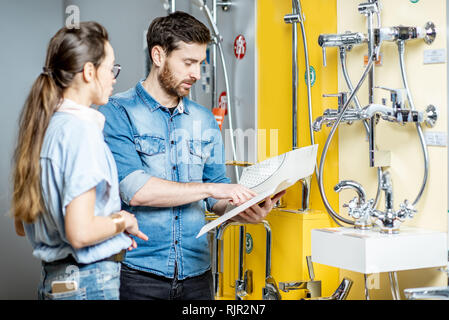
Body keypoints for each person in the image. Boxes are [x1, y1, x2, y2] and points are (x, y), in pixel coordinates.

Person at [98, 11, 284, 300]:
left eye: (200, 63)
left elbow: (216, 194)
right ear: (158, 56)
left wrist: (241, 210)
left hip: (198, 276)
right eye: (188, 62)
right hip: (140, 275)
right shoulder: (117, 112)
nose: (196, 73)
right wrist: (212, 188)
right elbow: (136, 191)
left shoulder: (204, 119)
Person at [12, 21, 147, 300]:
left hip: (57, 281)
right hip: (88, 283)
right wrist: (121, 221)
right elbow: (80, 232)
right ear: (89, 72)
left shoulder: (45, 127)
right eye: (111, 69)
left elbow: (21, 225)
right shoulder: (81, 131)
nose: (113, 78)